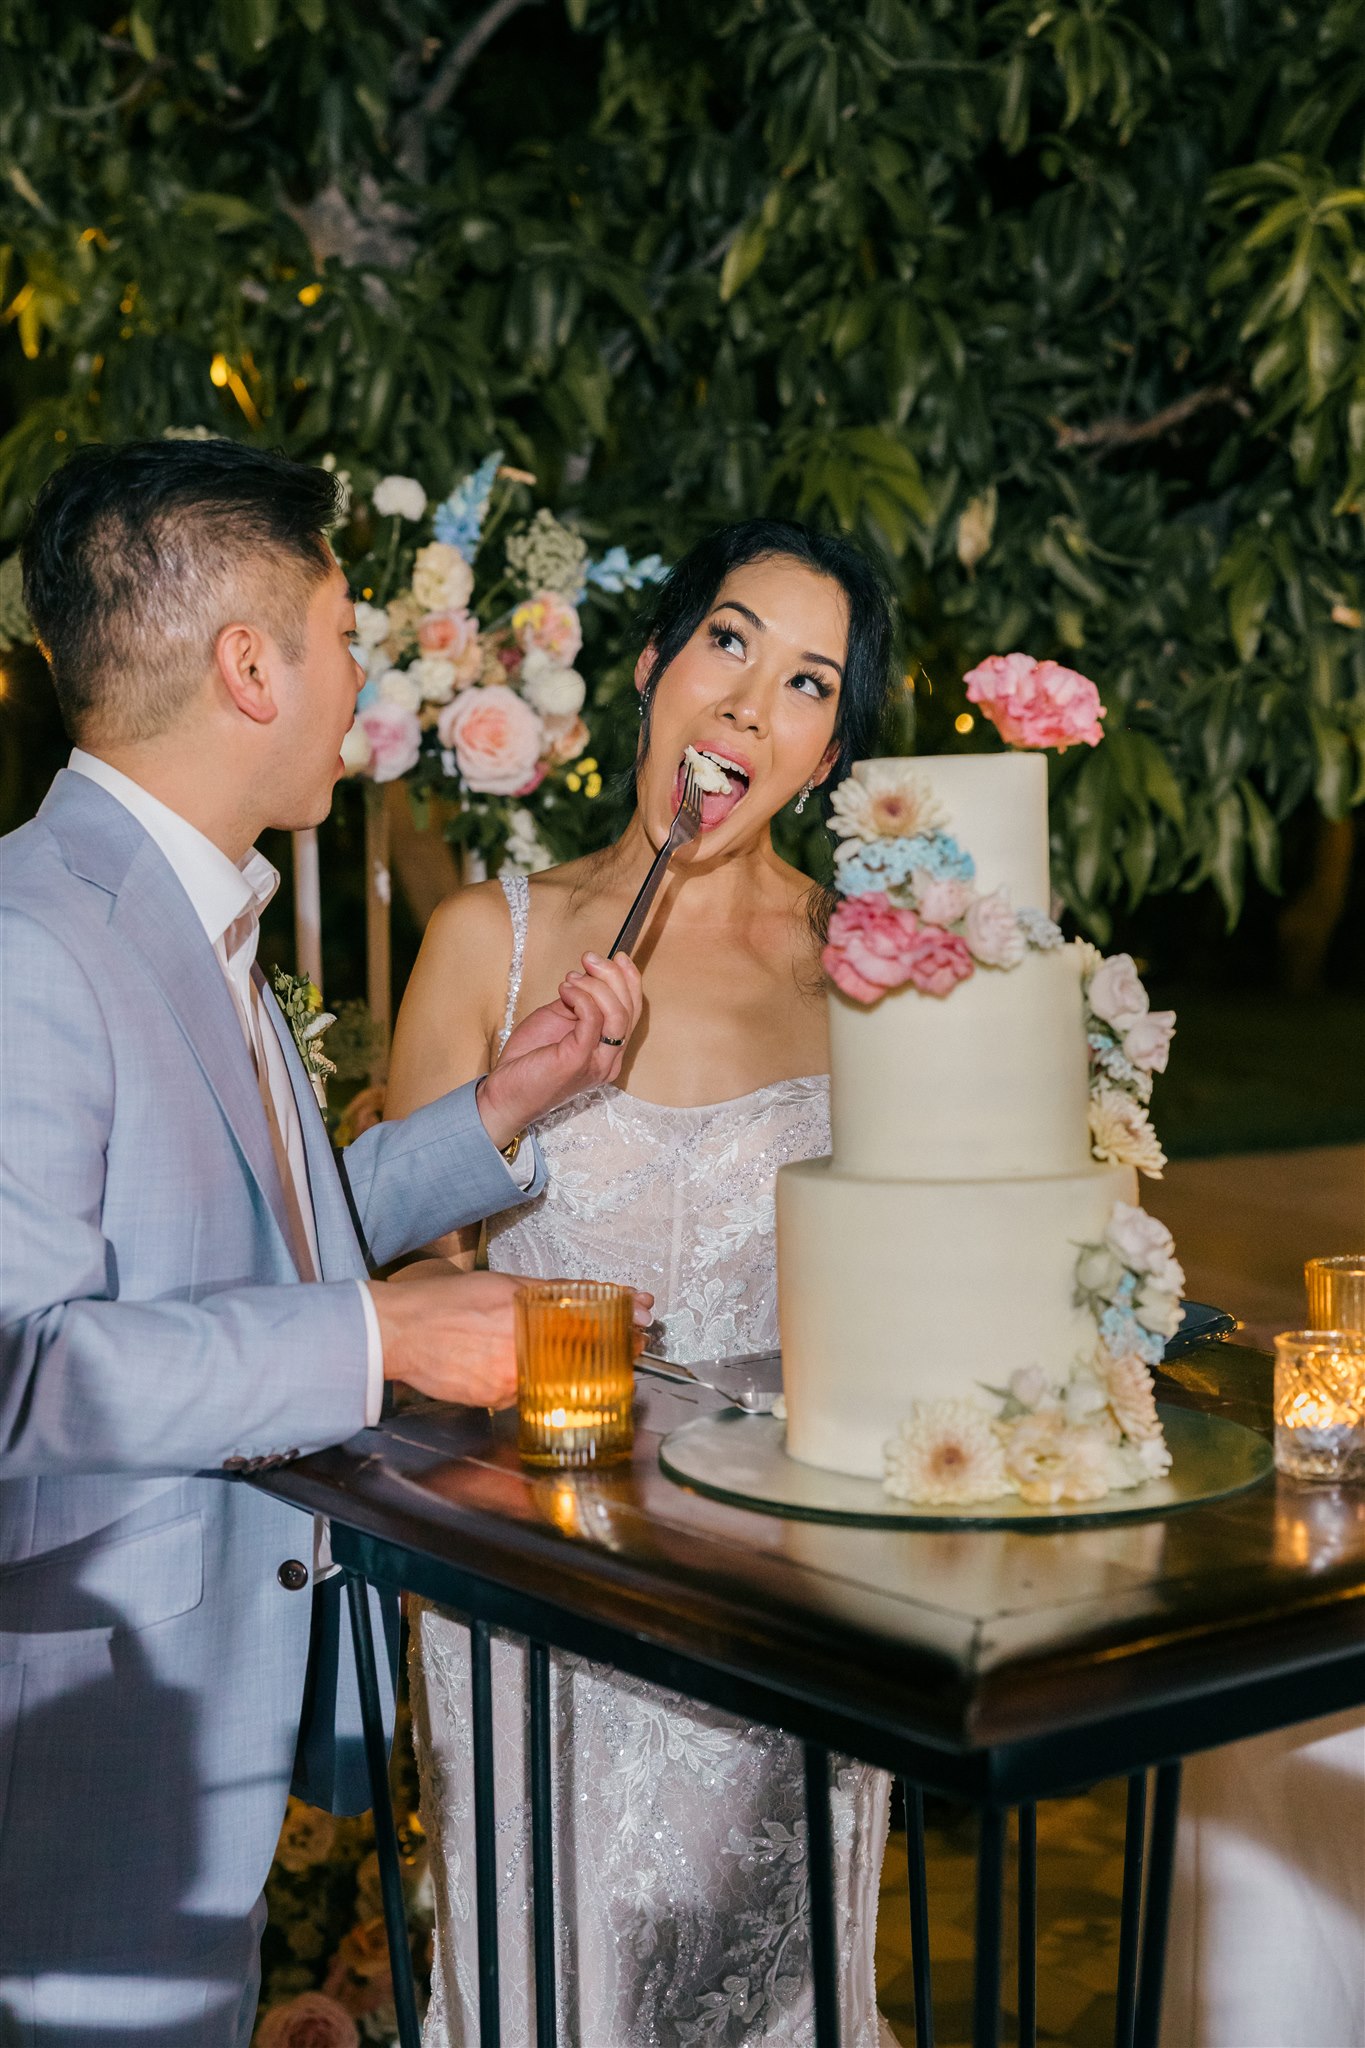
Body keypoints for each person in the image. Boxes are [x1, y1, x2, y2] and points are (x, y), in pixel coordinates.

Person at [0, 438, 642, 2047]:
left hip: (195, 1727)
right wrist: (385, 1341)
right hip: (78, 1743)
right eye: (344, 634)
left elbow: (248, 1232)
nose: (364, 675)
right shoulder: (29, 944)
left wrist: (495, 1110)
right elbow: (22, 1369)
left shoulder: (191, 907)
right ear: (247, 666)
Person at [387, 518, 902, 2048]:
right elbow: (410, 1280)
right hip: (541, 1608)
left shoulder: (868, 969)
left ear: (823, 755)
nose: (751, 706)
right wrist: (524, 1105)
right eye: (729, 644)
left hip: (790, 1601)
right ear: (650, 672)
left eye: (808, 683)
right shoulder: (489, 940)